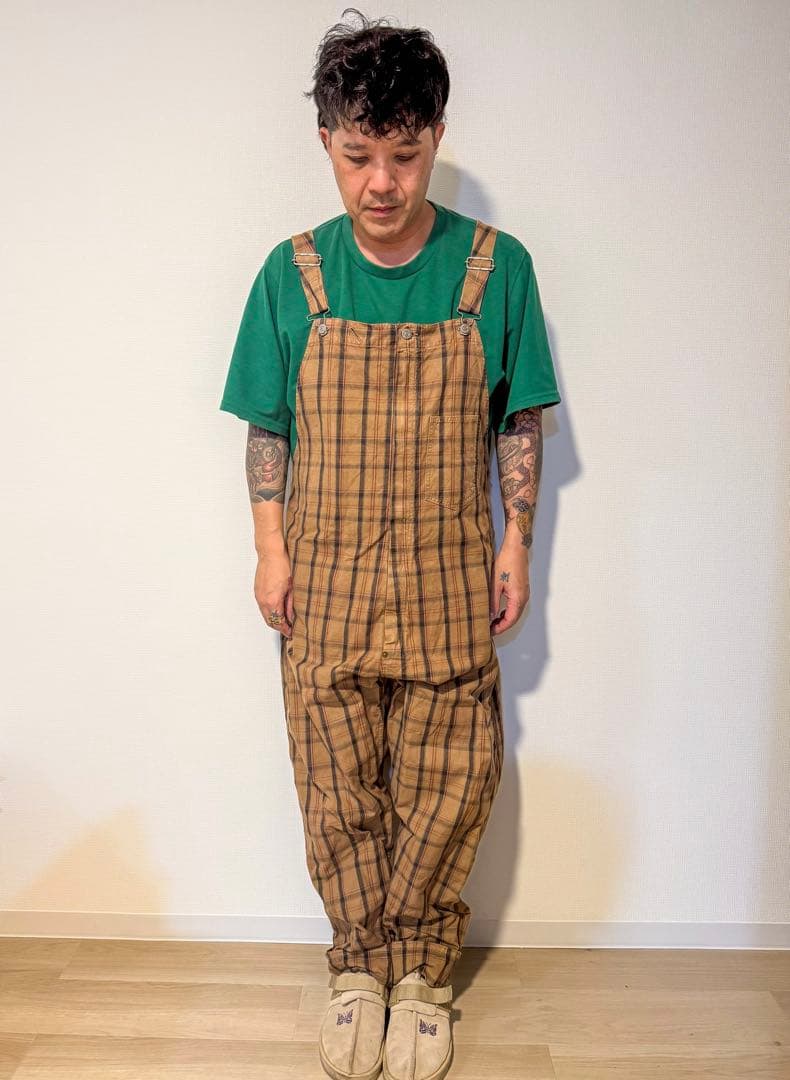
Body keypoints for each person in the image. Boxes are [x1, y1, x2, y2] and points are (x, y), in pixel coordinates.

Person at [219, 10, 561, 1080]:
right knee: (336, 785)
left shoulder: (496, 267)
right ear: (326, 139)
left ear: (436, 139)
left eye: (405, 155)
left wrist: (518, 543)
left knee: (449, 777)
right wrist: (269, 547)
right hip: (323, 577)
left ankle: (420, 975)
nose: (381, 182)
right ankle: (358, 971)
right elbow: (266, 425)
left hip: (448, 574)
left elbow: (519, 419)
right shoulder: (292, 274)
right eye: (359, 154)